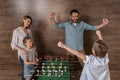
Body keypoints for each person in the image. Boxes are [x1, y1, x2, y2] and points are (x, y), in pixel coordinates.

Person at [11, 15, 33, 80]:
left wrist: (35, 52)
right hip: (22, 54)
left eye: (30, 22)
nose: (29, 23)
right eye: (28, 21)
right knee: (25, 70)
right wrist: (22, 50)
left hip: (30, 54)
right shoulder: (16, 31)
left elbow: (32, 42)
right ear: (23, 20)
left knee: (29, 70)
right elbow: (13, 44)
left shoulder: (29, 31)